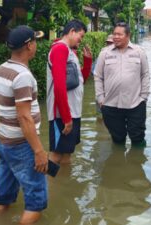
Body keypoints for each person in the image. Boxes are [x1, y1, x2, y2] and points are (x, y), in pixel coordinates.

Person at [0, 25, 48, 224]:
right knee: (35, 203)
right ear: (29, 45)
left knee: (3, 197)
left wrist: (3, 118)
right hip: (21, 146)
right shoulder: (23, 77)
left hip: (3, 143)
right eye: (35, 41)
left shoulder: (2, 68)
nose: (36, 45)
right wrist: (39, 151)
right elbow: (24, 117)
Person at [94, 22, 150, 146]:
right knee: (117, 138)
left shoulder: (139, 52)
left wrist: (143, 97)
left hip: (135, 103)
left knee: (137, 137)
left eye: (119, 34)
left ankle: (137, 162)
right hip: (110, 104)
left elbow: (145, 75)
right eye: (114, 34)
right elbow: (98, 76)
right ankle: (118, 162)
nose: (116, 37)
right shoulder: (105, 53)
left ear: (128, 35)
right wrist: (100, 98)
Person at [47, 19, 92, 164]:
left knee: (67, 153)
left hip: (72, 111)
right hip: (62, 113)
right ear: (72, 31)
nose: (81, 40)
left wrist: (88, 61)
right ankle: (46, 186)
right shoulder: (60, 49)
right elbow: (59, 86)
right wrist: (66, 118)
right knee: (56, 155)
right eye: (81, 36)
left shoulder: (69, 51)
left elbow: (79, 81)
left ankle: (65, 184)